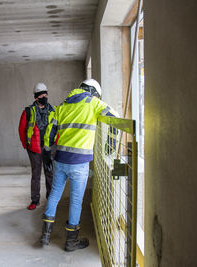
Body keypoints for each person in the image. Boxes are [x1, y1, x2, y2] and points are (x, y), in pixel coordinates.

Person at [40, 78, 118, 251]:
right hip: (79, 164)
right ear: (94, 92)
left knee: (54, 195)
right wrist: (110, 144)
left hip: (60, 160)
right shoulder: (93, 103)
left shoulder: (62, 105)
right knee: (76, 201)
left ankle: (45, 235)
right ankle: (70, 242)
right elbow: (115, 117)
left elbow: (49, 133)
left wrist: (47, 152)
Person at [18, 82, 56, 210]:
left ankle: (50, 199)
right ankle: (35, 200)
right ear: (36, 97)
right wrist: (26, 145)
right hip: (34, 149)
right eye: (41, 95)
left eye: (46, 94)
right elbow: (21, 129)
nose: (44, 96)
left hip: (49, 149)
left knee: (50, 173)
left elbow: (58, 129)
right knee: (36, 174)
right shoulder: (28, 111)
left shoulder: (53, 110)